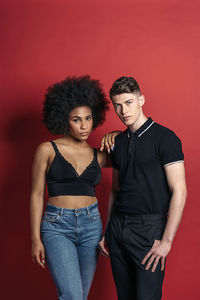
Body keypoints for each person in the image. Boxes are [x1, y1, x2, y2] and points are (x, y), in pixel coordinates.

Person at [99, 76, 187, 300]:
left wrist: (167, 241)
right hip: (118, 227)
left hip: (148, 228)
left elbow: (180, 190)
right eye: (117, 105)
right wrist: (107, 230)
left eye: (128, 102)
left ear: (141, 100)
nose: (123, 110)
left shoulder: (165, 138)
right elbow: (116, 189)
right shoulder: (117, 143)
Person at [30, 75, 110, 300]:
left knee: (81, 297)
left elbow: (130, 154)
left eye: (88, 118)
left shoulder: (100, 155)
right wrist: (35, 238)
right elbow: (36, 195)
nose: (85, 125)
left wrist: (115, 135)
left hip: (92, 226)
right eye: (77, 119)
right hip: (57, 227)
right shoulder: (46, 149)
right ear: (64, 119)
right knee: (72, 296)